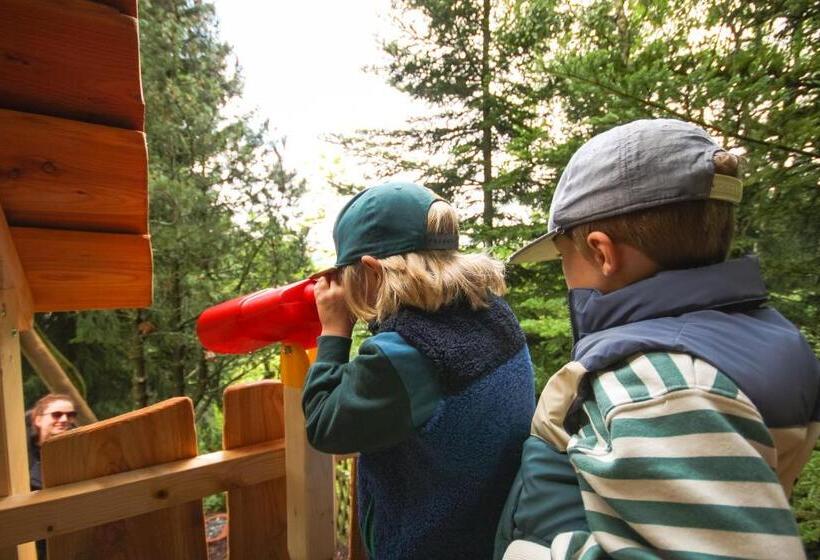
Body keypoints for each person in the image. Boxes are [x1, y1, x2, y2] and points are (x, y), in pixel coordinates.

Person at [495, 119, 820, 559]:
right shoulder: (744, 339)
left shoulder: (662, 387)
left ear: (602, 252)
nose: (564, 274)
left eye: (562, 257)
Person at [302, 182, 535, 559]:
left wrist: (333, 331)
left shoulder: (406, 354)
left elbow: (325, 426)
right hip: (493, 534)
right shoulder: (493, 315)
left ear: (371, 270)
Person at [27, 393, 77, 559]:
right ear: (38, 420)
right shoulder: (17, 458)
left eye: (70, 415)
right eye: (56, 414)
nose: (64, 420)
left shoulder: (82, 453)